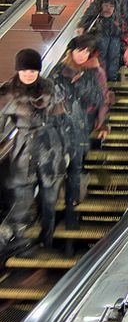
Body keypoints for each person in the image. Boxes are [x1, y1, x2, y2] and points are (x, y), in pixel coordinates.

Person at [0, 49, 73, 254]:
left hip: (51, 145)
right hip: (24, 148)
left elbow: (62, 120)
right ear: (18, 70)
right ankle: (20, 242)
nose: (29, 74)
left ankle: (47, 238)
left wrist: (66, 149)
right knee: (21, 194)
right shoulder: (7, 93)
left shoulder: (50, 89)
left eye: (33, 70)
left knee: (49, 197)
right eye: (25, 70)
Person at [51, 34, 111, 231]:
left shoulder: (94, 72)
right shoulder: (58, 72)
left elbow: (101, 98)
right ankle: (52, 218)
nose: (83, 55)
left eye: (86, 51)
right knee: (59, 168)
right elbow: (50, 99)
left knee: (75, 169)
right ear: (71, 52)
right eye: (79, 51)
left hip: (81, 125)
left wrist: (103, 124)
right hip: (59, 127)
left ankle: (71, 215)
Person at [79, 0, 128, 81]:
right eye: (106, 5)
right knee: (102, 52)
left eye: (111, 6)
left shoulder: (119, 14)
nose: (108, 9)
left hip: (115, 35)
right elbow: (90, 13)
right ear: (101, 6)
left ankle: (112, 78)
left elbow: (126, 27)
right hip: (101, 33)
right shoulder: (98, 8)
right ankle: (103, 78)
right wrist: (82, 25)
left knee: (114, 53)